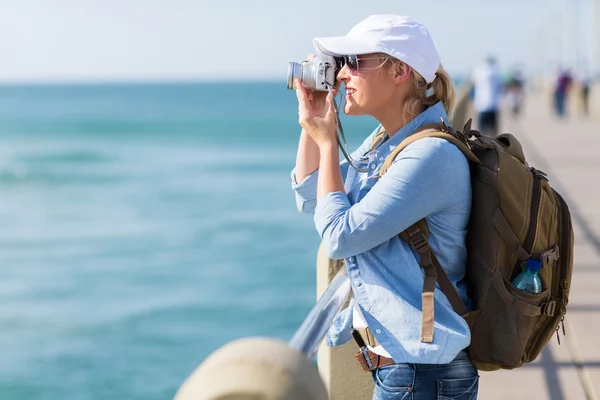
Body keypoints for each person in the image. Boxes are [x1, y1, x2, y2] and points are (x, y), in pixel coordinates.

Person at [290, 15, 478, 400]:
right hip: (405, 369)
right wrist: (311, 124)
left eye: (355, 62)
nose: (341, 75)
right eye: (340, 64)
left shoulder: (431, 155)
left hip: (422, 374)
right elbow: (312, 195)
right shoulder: (386, 144)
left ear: (400, 71)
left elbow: (340, 236)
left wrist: (329, 144)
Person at [470, 56, 503, 136]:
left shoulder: (478, 71)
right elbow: (500, 88)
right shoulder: (496, 73)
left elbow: (472, 84)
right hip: (493, 107)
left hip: (481, 107)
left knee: (481, 134)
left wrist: (472, 97)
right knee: (494, 134)